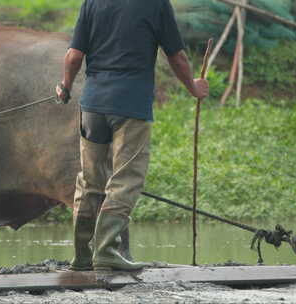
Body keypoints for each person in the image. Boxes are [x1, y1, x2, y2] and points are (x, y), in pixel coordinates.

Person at [56, 0, 209, 272]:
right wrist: (193, 87)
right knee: (125, 179)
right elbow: (177, 57)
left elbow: (74, 56)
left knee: (90, 180)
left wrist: (65, 87)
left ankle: (82, 254)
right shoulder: (156, 4)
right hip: (131, 106)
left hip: (92, 106)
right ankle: (105, 251)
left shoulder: (92, 2)